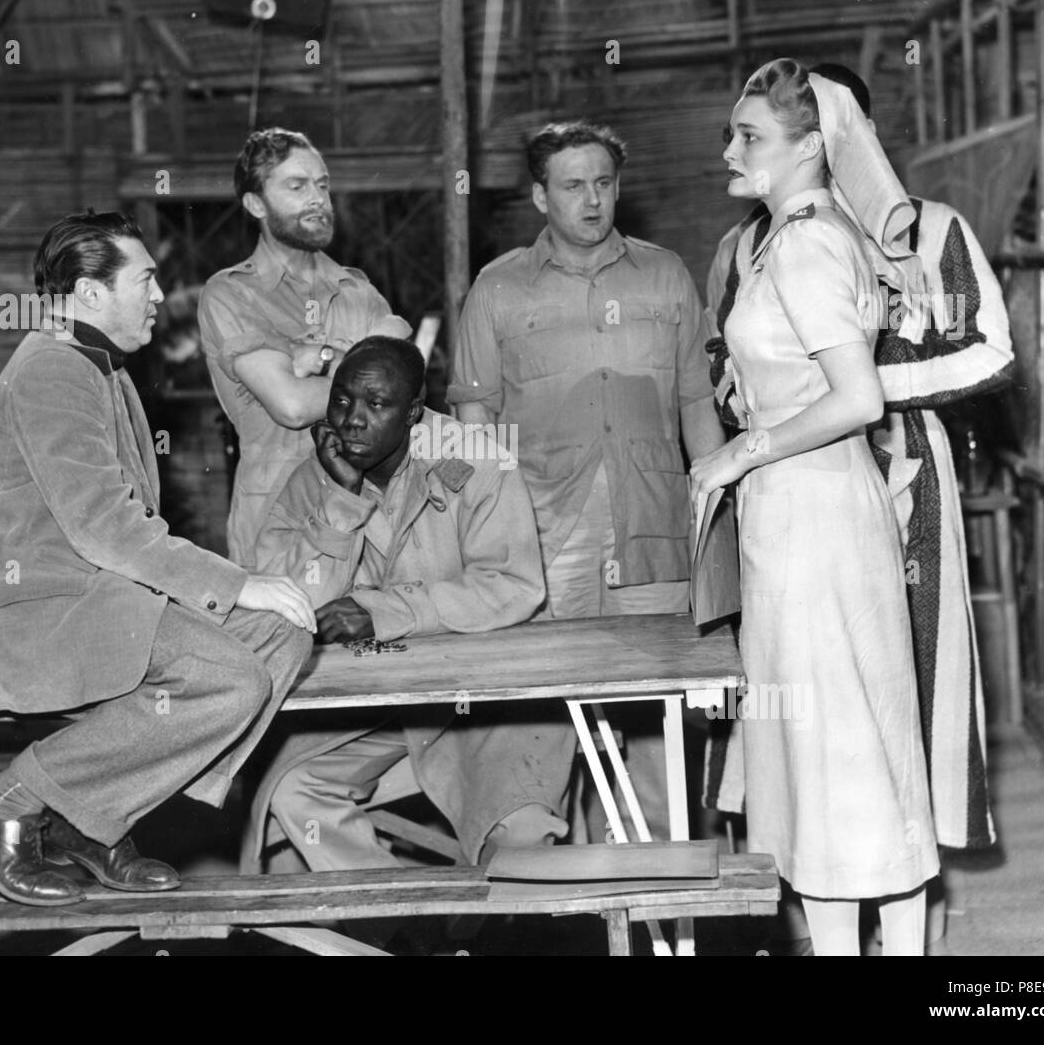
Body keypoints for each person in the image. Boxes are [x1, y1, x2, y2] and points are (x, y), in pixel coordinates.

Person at [0, 211, 316, 907]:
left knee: (282, 637)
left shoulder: (98, 366)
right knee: (229, 677)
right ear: (87, 293)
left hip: (96, 598)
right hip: (44, 610)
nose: (157, 294)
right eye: (144, 279)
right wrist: (234, 582)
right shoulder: (53, 371)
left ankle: (91, 815)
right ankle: (7, 800)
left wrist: (239, 595)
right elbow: (104, 525)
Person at [703, 63, 1010, 858]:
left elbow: (991, 354)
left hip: (908, 474)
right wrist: (746, 401)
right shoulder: (757, 241)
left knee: (913, 675)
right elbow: (724, 352)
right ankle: (822, 889)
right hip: (799, 487)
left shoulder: (933, 231)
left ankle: (919, 878)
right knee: (811, 694)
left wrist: (866, 384)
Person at [690, 59, 939, 955]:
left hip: (814, 520)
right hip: (807, 514)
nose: (730, 147)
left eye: (749, 135)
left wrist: (738, 450)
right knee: (837, 756)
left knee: (839, 750)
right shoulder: (798, 233)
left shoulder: (803, 243)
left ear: (812, 147)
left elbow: (858, 397)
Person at [448, 120, 725, 842]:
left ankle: (662, 899)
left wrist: (719, 504)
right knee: (548, 726)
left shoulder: (665, 274)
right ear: (541, 195)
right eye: (573, 186)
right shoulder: (499, 288)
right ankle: (561, 899)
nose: (592, 199)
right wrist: (485, 541)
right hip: (544, 539)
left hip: (653, 529)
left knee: (658, 722)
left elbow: (697, 398)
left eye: (603, 183)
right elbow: (474, 419)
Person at [244, 337, 568, 872]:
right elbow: (285, 599)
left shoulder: (479, 461)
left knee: (520, 834)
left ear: (414, 413)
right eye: (342, 400)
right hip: (379, 705)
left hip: (488, 699)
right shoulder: (315, 476)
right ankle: (401, 925)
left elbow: (511, 585)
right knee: (297, 794)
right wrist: (341, 504)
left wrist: (385, 612)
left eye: (376, 405)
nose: (351, 420)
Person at [198, 128, 412, 565]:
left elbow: (398, 399)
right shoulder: (231, 294)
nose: (317, 198)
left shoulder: (359, 292)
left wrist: (317, 361)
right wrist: (362, 356)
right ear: (256, 203)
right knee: (281, 634)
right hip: (278, 522)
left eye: (322, 185)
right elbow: (291, 406)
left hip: (366, 517)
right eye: (296, 186)